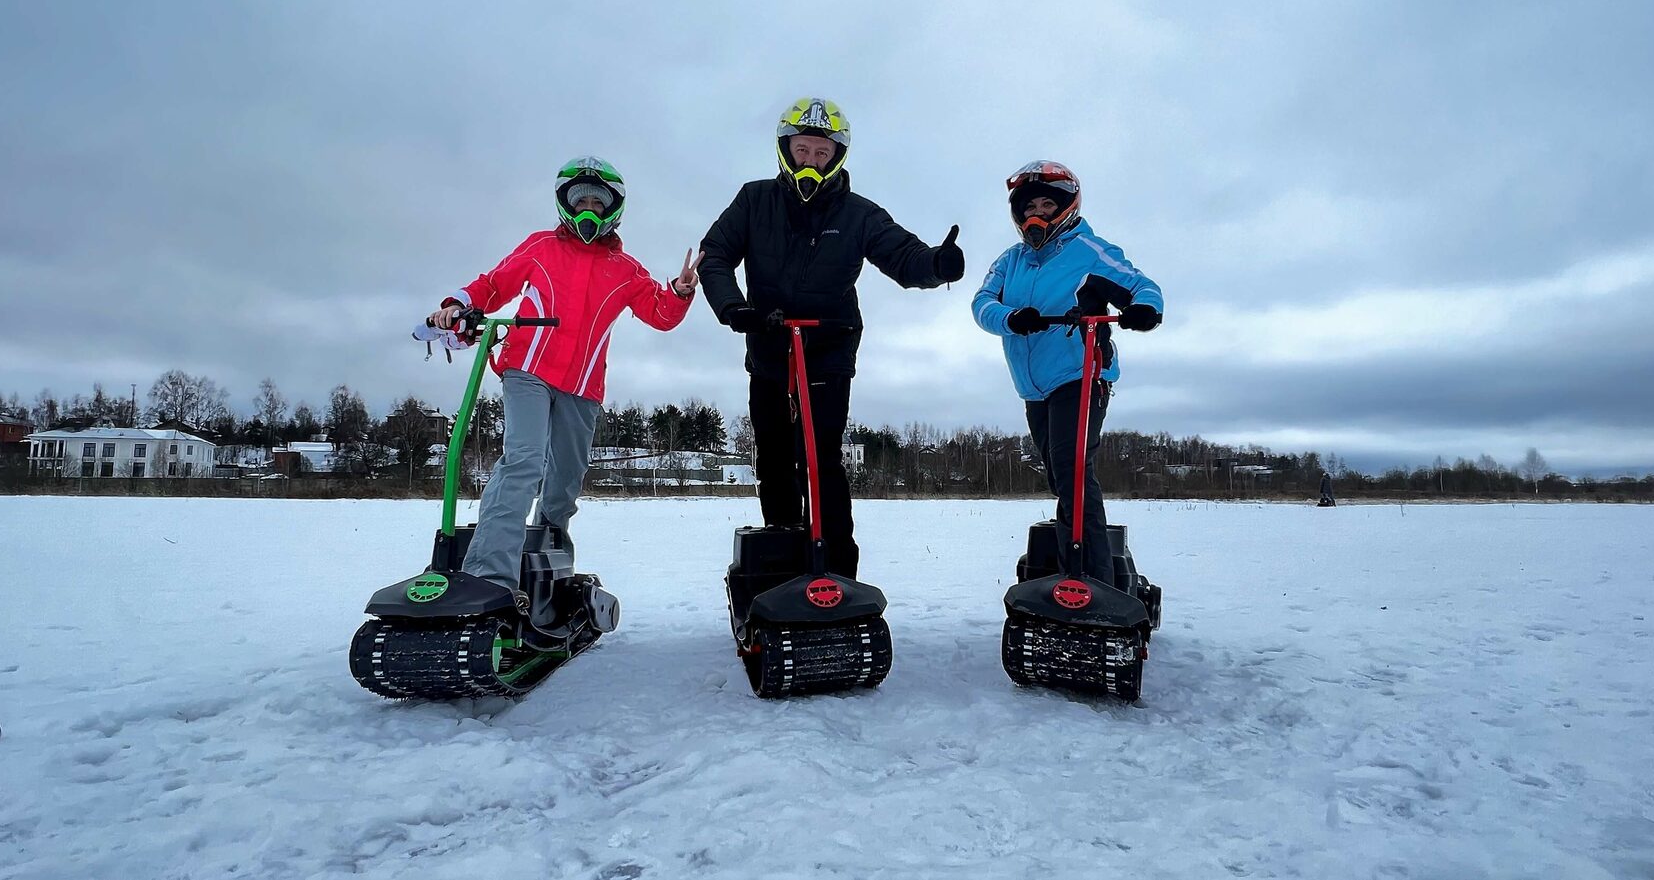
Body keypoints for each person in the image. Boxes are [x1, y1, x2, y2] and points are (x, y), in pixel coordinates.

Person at [697, 97, 964, 575]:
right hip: (769, 349)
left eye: (822, 153)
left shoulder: (859, 214)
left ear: (837, 157)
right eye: (803, 150)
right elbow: (715, 254)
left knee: (821, 461)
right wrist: (734, 307)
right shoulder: (754, 200)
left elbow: (903, 256)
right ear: (786, 149)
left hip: (828, 349)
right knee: (776, 460)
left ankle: (837, 573)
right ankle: (780, 564)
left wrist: (936, 266)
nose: (811, 161)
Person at [427, 156, 702, 609]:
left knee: (565, 480)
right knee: (524, 461)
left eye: (599, 201)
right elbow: (494, 285)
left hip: (583, 386)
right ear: (565, 205)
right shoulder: (540, 248)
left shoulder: (627, 269)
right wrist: (457, 304)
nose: (589, 209)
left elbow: (660, 313)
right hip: (528, 370)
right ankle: (488, 576)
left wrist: (680, 290)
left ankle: (550, 571)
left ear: (614, 208)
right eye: (580, 200)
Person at [972, 160, 1164, 586]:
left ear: (1066, 206)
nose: (1035, 213)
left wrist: (1146, 310)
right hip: (1033, 386)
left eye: (1045, 204)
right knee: (1062, 477)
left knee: (1073, 471)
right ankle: (1072, 567)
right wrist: (1011, 318)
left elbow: (1142, 286)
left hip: (1080, 373)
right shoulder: (1010, 261)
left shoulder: (1089, 250)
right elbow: (981, 304)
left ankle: (1092, 581)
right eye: (1028, 207)